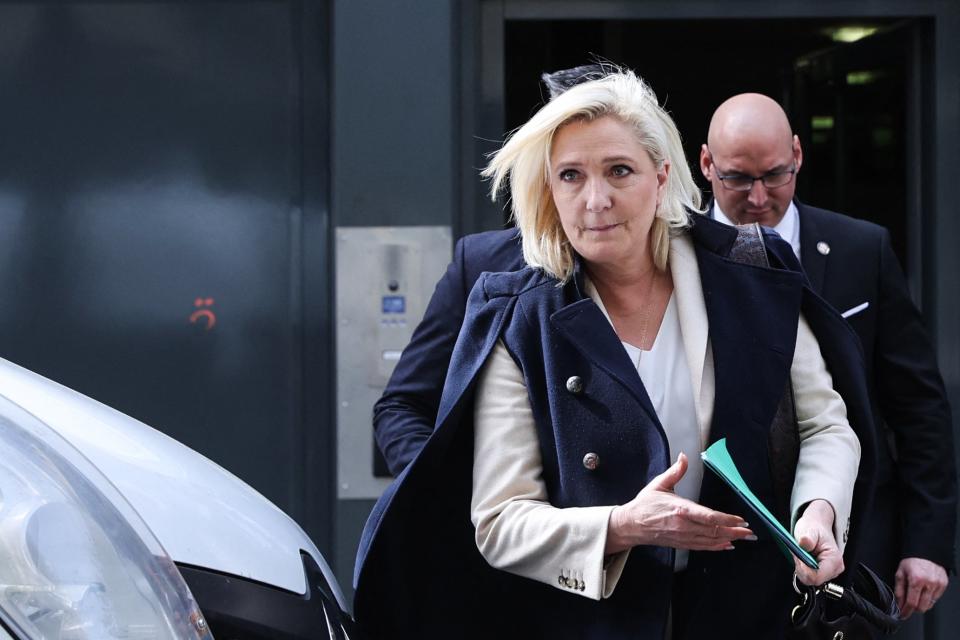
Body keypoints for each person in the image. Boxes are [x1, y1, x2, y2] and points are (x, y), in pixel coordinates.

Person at [354, 70, 876, 639]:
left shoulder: (752, 277)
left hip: (748, 611)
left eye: (619, 171)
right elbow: (501, 520)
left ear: (661, 175)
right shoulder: (521, 316)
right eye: (571, 176)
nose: (595, 200)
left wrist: (817, 512)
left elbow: (825, 424)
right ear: (548, 191)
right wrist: (624, 526)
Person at [699, 93, 956, 619]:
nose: (757, 196)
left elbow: (917, 405)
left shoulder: (862, 248)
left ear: (797, 154)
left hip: (856, 536)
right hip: (719, 550)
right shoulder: (675, 255)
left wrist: (926, 543)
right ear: (706, 164)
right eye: (737, 178)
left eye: (775, 175)